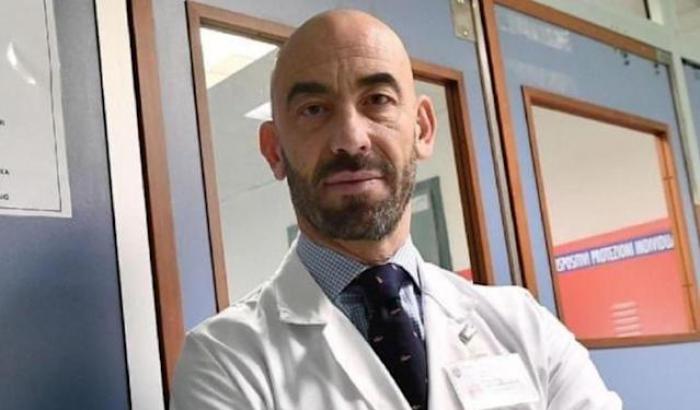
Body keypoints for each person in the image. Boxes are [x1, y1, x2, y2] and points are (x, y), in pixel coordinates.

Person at [170, 9, 621, 410]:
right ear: (274, 151)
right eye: (314, 109)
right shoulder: (225, 360)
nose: (351, 139)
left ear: (422, 129)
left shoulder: (524, 326)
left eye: (378, 100)